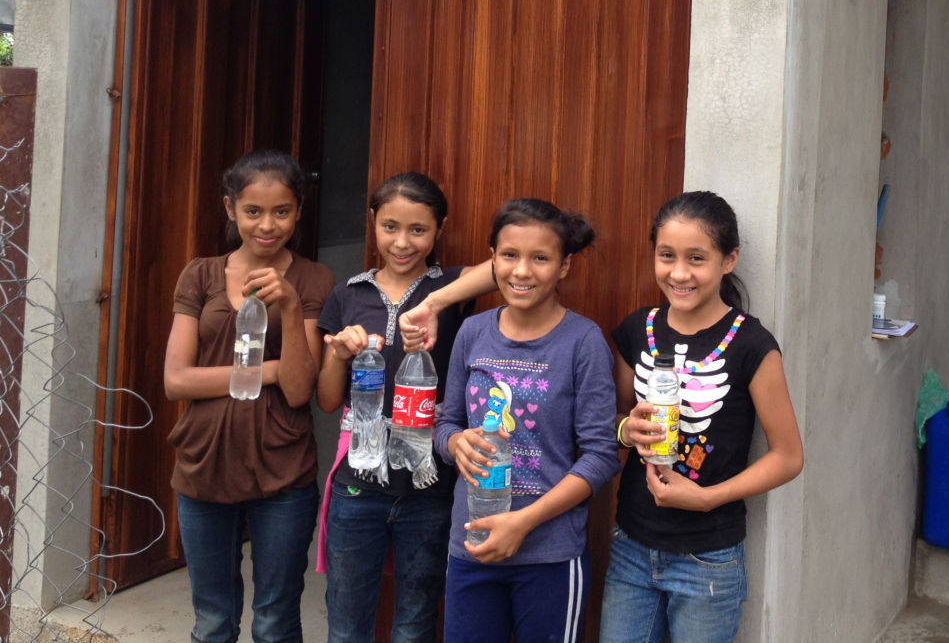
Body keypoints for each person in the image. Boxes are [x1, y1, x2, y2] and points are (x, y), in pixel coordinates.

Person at [598, 191, 804, 643]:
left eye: (697, 258)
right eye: (666, 256)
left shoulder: (752, 344)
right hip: (632, 542)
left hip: (709, 557)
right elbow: (613, 421)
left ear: (729, 260)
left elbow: (788, 456)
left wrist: (710, 497)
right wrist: (624, 431)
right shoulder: (636, 330)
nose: (679, 273)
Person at [163, 149, 335, 643]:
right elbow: (176, 380)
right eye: (253, 211)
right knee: (213, 620)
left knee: (275, 620)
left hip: (283, 472)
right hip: (203, 466)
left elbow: (301, 391)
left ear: (298, 210)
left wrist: (288, 304)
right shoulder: (201, 274)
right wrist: (272, 369)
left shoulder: (314, 279)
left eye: (281, 211)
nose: (267, 225)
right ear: (230, 208)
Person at [316, 172, 494, 643]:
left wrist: (434, 302)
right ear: (372, 222)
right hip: (358, 486)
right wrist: (338, 353)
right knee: (347, 622)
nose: (402, 242)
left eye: (419, 229)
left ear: (440, 229)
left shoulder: (452, 287)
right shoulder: (348, 295)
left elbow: (505, 269)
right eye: (389, 226)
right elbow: (329, 400)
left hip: (429, 488)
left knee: (415, 623)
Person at [434, 198, 621, 643]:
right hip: (472, 546)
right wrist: (454, 442)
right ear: (493, 258)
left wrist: (524, 522)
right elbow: (445, 424)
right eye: (509, 255)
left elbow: (601, 456)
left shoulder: (582, 341)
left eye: (540, 258)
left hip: (550, 556)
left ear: (564, 266)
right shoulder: (473, 332)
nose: (522, 271)